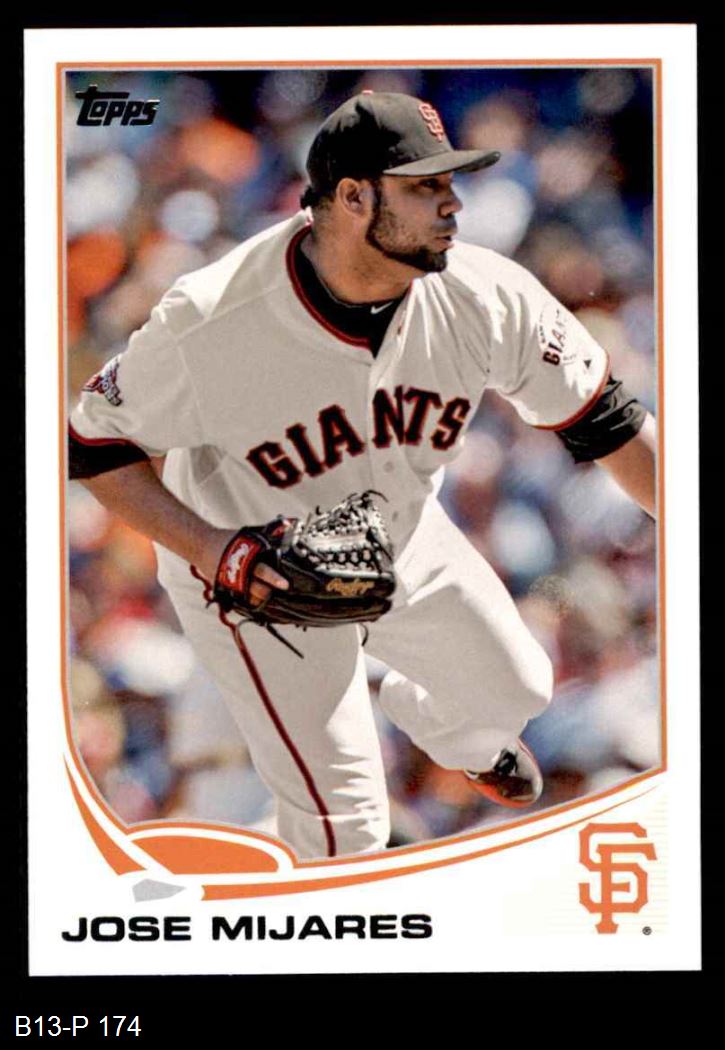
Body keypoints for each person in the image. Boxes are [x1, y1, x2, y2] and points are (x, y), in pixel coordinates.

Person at [69, 91, 656, 859]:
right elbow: (92, 444)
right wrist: (214, 550)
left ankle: (452, 736)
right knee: (344, 829)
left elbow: (611, 423)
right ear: (351, 198)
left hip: (398, 529)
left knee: (518, 688)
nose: (452, 204)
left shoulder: (480, 293)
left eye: (449, 182)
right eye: (424, 186)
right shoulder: (212, 318)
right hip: (256, 571)